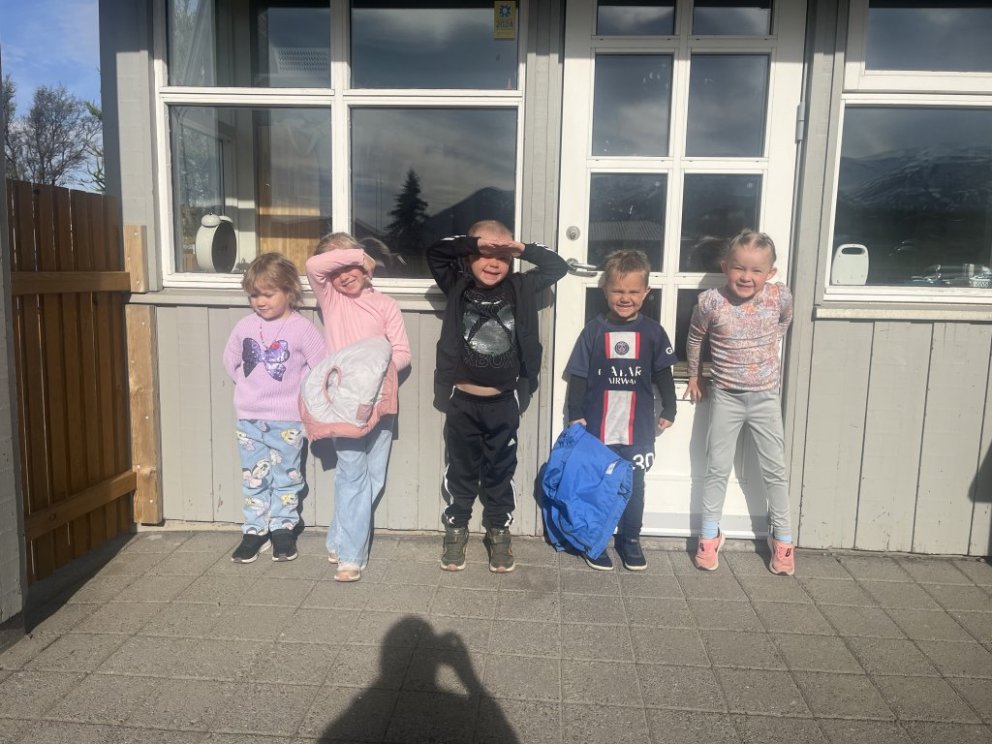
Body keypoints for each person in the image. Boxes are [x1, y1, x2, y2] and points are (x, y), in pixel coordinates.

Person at [429, 219, 568, 573]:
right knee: (460, 469)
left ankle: (499, 529)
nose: (493, 263)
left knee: (500, 471)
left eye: (502, 257)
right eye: (484, 254)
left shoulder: (521, 286)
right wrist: (473, 242)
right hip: (463, 402)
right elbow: (436, 252)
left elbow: (557, 266)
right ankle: (456, 527)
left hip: (504, 402)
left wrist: (519, 248)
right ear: (469, 256)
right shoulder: (457, 284)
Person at [684, 229, 795, 575]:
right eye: (739, 268)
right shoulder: (711, 302)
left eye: (756, 270)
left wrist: (764, 347)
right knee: (717, 467)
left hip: (765, 397)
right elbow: (695, 338)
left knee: (774, 470)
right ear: (725, 267)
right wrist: (694, 376)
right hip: (726, 397)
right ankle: (709, 534)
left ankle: (783, 539)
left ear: (770, 273)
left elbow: (783, 323)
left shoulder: (779, 296)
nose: (746, 277)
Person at [306, 232, 412, 582]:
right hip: (344, 406)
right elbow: (314, 266)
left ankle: (338, 537)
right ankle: (351, 557)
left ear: (367, 267)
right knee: (352, 473)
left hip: (381, 399)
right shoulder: (331, 299)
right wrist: (357, 256)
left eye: (352, 265)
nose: (345, 275)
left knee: (374, 476)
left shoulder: (386, 305)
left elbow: (402, 352)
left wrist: (376, 374)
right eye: (338, 269)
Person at [564, 250, 677, 571]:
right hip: (598, 426)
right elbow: (579, 376)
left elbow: (663, 374)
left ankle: (630, 539)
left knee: (634, 485)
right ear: (605, 291)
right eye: (617, 291)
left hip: (637, 428)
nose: (625, 298)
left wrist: (670, 407)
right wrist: (575, 413)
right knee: (598, 484)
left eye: (633, 291)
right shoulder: (593, 331)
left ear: (646, 292)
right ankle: (595, 539)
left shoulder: (653, 332)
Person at [223, 253, 326, 563]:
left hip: (288, 421)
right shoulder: (244, 326)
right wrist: (249, 387)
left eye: (268, 294)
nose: (260, 302)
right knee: (253, 476)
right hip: (249, 418)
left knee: (287, 476)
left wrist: (300, 392)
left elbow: (321, 366)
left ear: (289, 291)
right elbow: (231, 362)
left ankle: (283, 528)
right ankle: (255, 530)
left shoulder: (302, 329)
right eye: (254, 295)